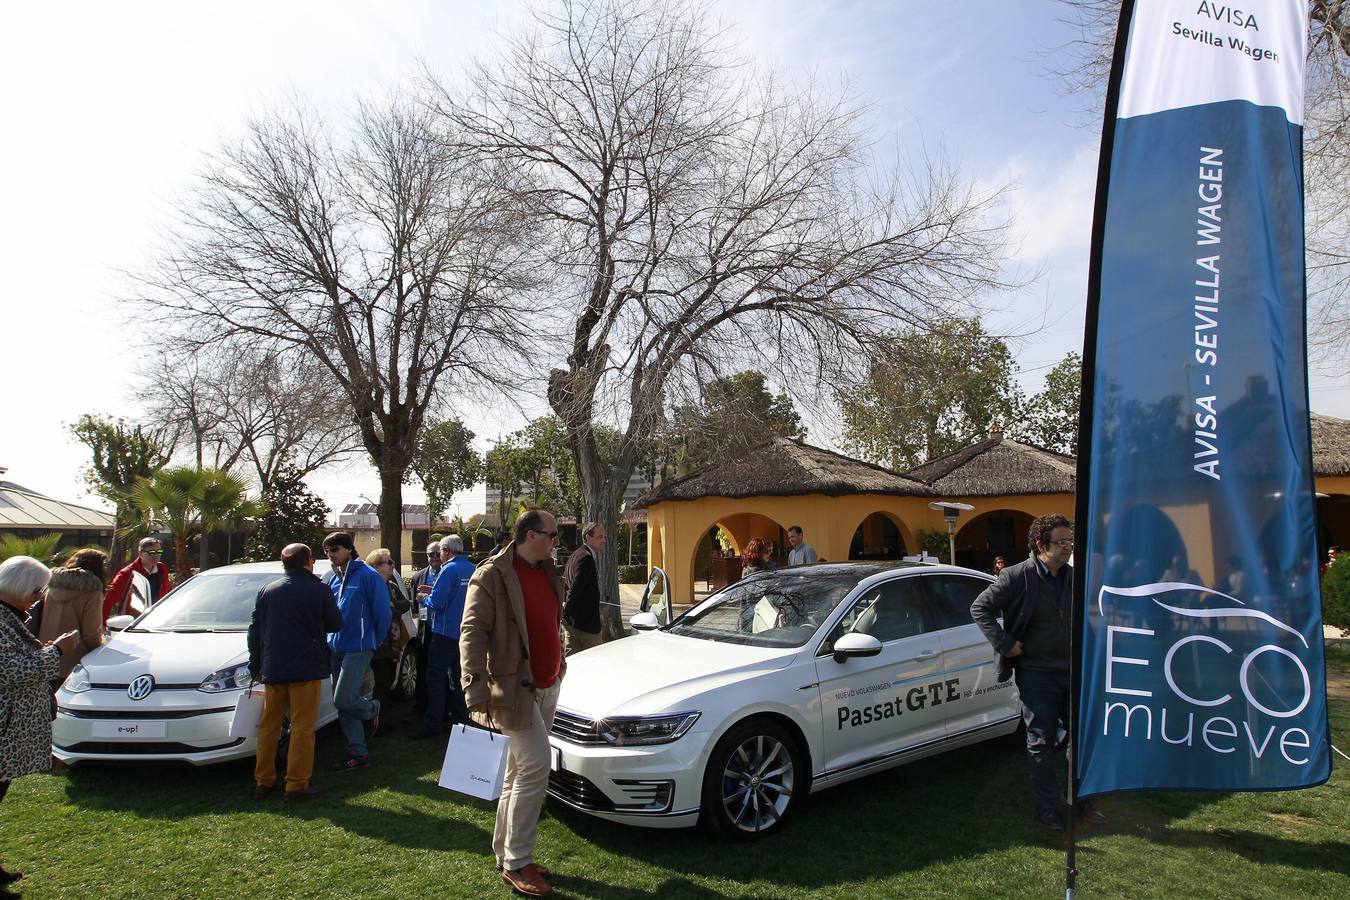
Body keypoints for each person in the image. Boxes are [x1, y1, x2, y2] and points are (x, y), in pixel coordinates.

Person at [969, 515, 1106, 830]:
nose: (1068, 548)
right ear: (1041, 545)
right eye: (1062, 542)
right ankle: (1047, 809)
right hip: (1036, 673)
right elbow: (980, 608)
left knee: (1082, 739)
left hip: (1073, 670)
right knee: (1041, 741)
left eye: (1070, 542)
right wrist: (1005, 643)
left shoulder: (1075, 577)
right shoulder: (1016, 576)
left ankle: (1081, 799)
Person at [461, 509, 566, 898]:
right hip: (512, 689)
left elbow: (551, 622)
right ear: (529, 534)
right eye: (552, 534)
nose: (557, 540)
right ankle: (519, 862)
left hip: (548, 684)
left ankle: (505, 850)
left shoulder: (547, 571)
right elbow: (472, 633)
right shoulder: (492, 574)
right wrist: (475, 690)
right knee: (537, 768)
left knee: (516, 773)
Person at [0, 556, 79, 892]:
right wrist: (56, 652)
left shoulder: (10, 616)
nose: (39, 596)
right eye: (36, 590)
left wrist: (42, 653)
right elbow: (12, 671)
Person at [248, 543, 343, 803]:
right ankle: (296, 783)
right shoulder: (319, 589)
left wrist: (255, 664)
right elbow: (336, 623)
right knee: (302, 726)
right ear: (308, 561)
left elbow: (254, 630)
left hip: (274, 665)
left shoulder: (268, 590)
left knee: (269, 725)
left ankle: (263, 780)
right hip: (306, 668)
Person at [321, 531, 391, 771]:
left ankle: (373, 708)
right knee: (342, 703)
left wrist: (372, 641)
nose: (330, 555)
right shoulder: (334, 579)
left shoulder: (368, 576)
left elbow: (382, 613)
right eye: (327, 551)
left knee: (343, 698)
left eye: (335, 550)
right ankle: (357, 752)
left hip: (359, 647)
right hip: (336, 647)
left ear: (349, 549)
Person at [417, 534, 475, 737]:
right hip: (465, 632)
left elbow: (438, 603)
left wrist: (424, 598)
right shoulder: (471, 568)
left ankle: (434, 721)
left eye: (439, 551)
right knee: (459, 676)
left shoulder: (448, 569)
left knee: (435, 676)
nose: (438, 555)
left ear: (447, 551)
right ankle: (460, 717)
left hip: (444, 632)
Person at [36, 549, 107, 681]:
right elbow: (91, 634)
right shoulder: (92, 591)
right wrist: (102, 653)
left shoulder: (51, 586)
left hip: (46, 653)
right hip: (77, 661)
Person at [364, 548, 411, 706]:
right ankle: (376, 718)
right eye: (389, 562)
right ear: (376, 566)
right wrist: (390, 607)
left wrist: (392, 606)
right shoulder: (370, 586)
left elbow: (405, 604)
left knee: (390, 678)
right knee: (382, 681)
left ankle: (379, 714)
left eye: (393, 562)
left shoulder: (391, 585)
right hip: (377, 643)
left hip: (393, 641)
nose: (393, 565)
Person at [562, 522, 606, 655]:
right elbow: (574, 589)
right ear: (588, 537)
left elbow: (566, 585)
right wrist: (565, 613)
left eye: (604, 537)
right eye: (600, 537)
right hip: (586, 628)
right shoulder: (585, 558)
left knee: (573, 664)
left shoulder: (576, 555)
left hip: (573, 623)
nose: (604, 540)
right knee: (593, 664)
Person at [103, 537, 172, 621]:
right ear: (140, 553)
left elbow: (168, 593)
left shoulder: (162, 569)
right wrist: (102, 623)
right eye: (152, 552)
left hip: (158, 619)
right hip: (134, 622)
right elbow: (110, 598)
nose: (156, 555)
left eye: (159, 552)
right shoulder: (127, 573)